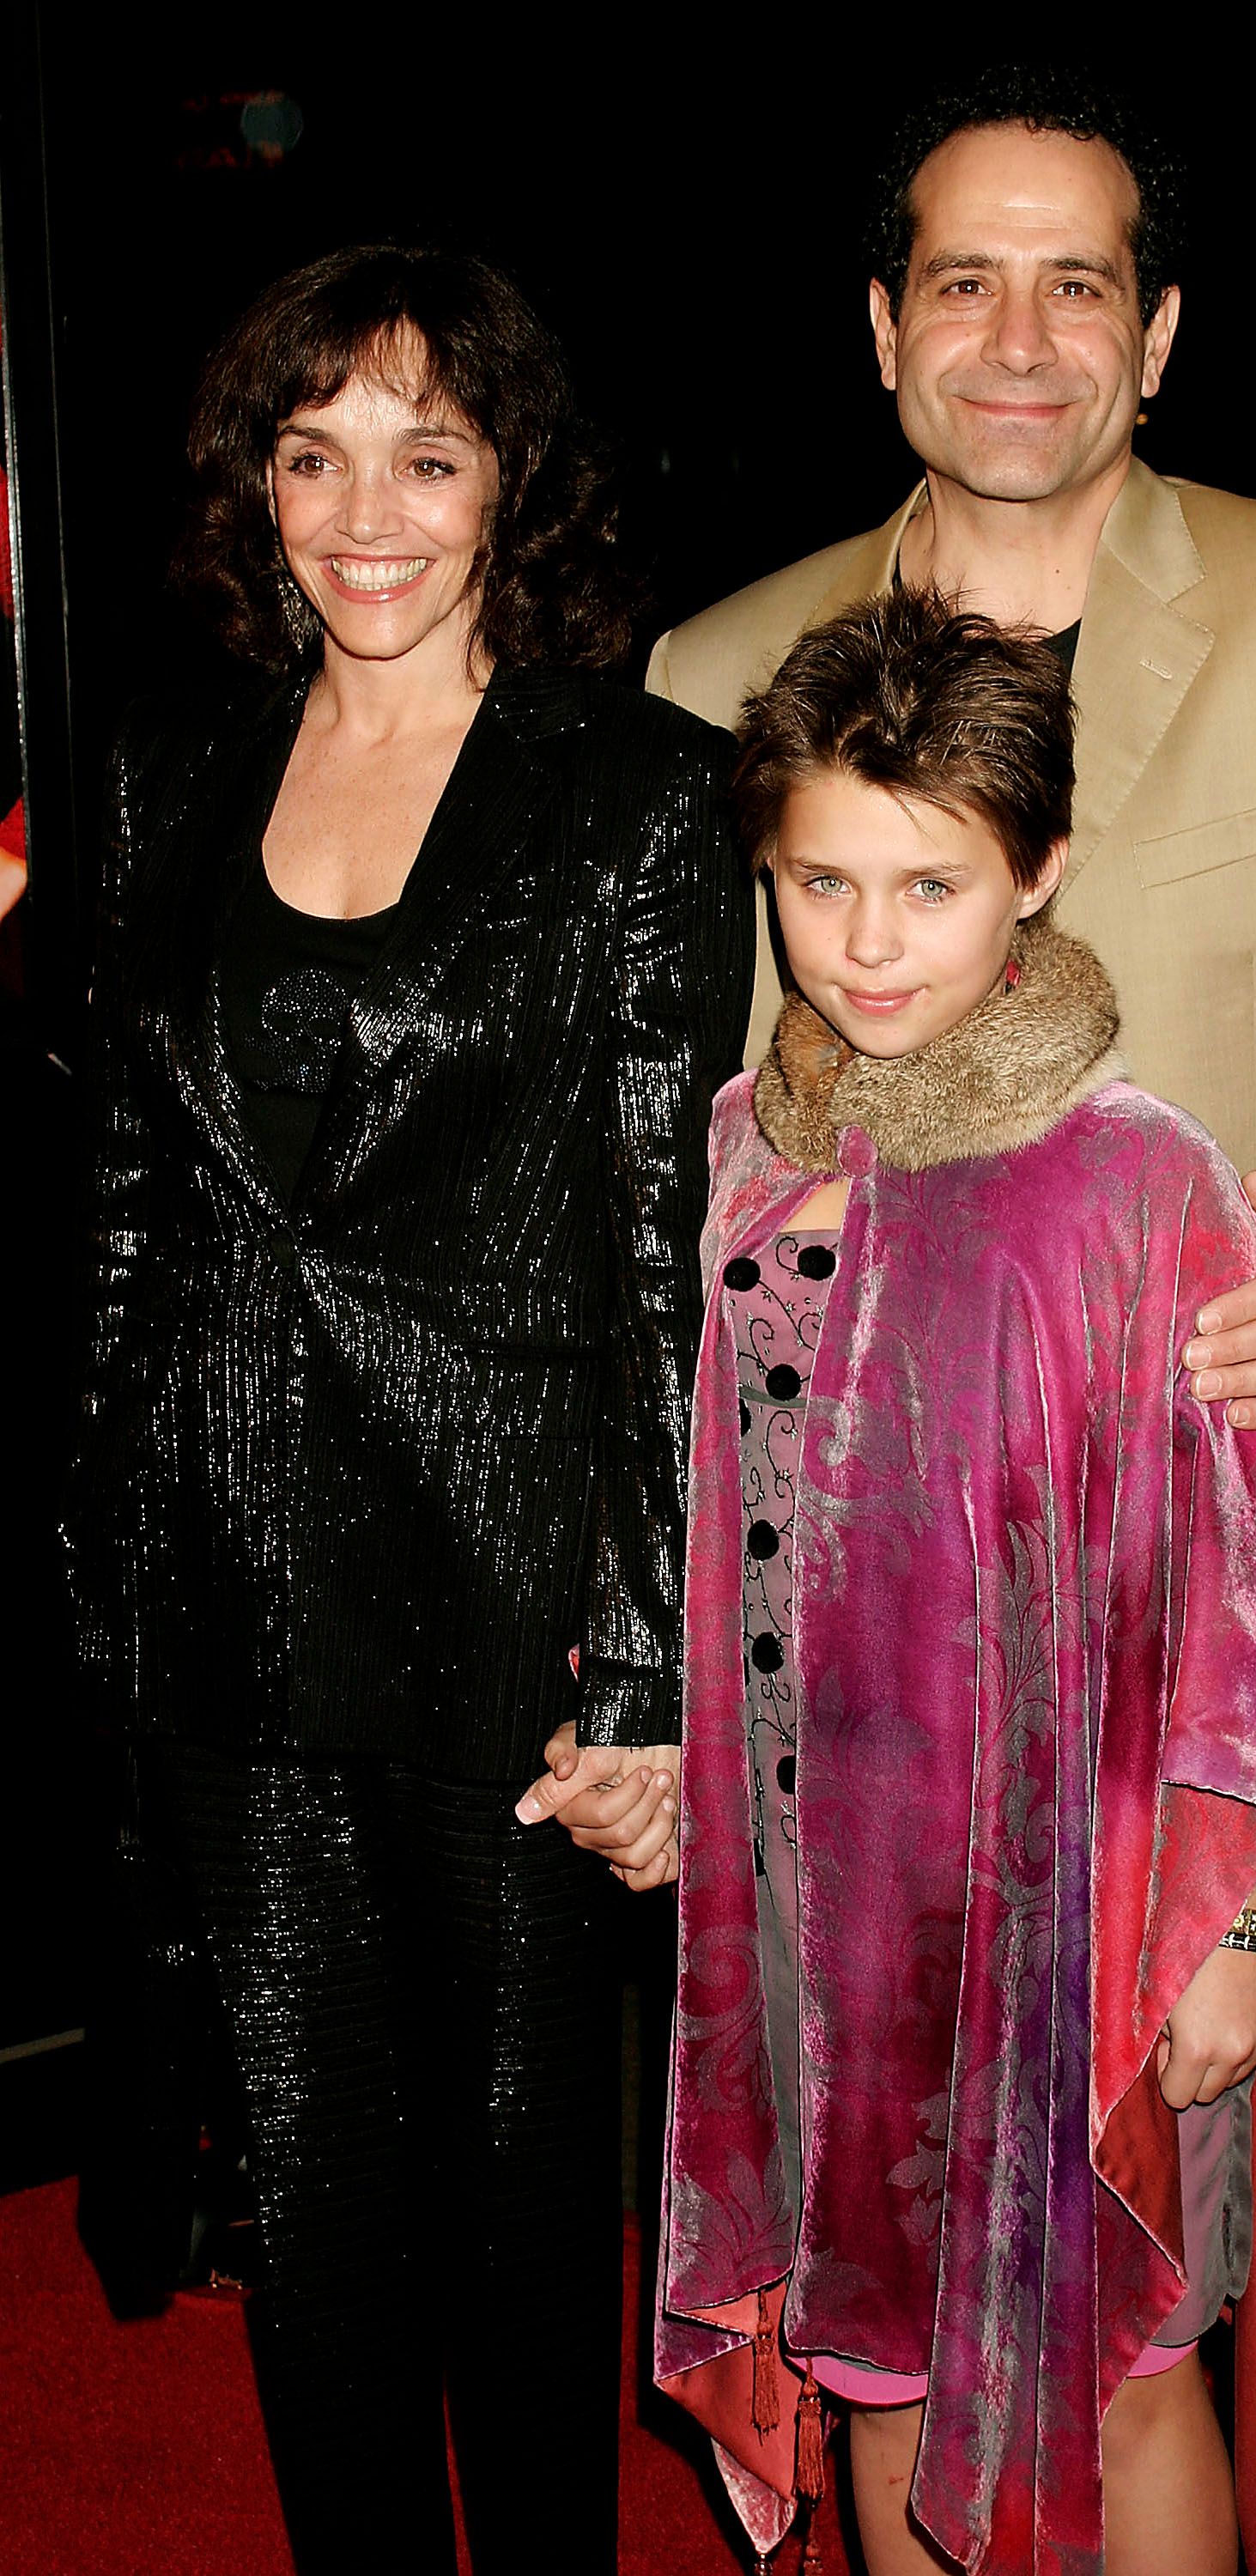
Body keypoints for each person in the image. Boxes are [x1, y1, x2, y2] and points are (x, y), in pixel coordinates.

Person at [639, 69, 1256, 2576]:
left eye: (1077, 284)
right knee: (906, 2252)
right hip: (894, 1673)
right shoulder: (723, 668)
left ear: (1153, 340)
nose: (1016, 335)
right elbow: (724, 1156)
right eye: (960, 280)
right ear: (882, 330)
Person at [67, 243, 749, 2576]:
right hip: (230, 1599)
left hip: (513, 1623)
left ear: (508, 492)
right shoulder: (169, 775)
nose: (366, 512)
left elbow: (670, 1249)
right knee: (313, 2206)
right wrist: (99, 1575)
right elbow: (130, 1208)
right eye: (312, 452)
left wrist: (658, 1670)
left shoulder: (634, 796)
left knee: (518, 2228)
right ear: (254, 492)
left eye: (425, 457)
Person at [642, 587, 1256, 2576]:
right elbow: (699, 1517)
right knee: (874, 2355)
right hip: (834, 1931)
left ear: (1036, 872)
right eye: (821, 882)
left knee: (1117, 2370)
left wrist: (1224, 1940)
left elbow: (1247, 1591)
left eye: (931, 885)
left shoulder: (1138, 1178)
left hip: (1090, 1911)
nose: (870, 943)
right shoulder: (738, 1157)